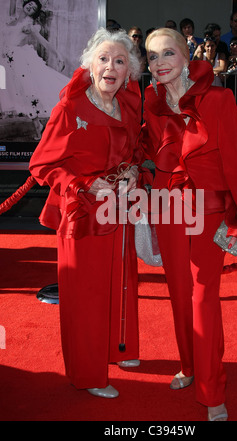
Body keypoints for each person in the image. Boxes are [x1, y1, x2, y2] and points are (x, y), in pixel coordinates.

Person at [142, 27, 237, 421]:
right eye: (151, 56)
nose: (159, 63)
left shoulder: (218, 99)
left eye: (167, 53)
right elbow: (145, 151)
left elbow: (233, 165)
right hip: (167, 208)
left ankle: (212, 389)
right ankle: (188, 364)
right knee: (179, 293)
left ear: (186, 55)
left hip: (209, 210)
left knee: (203, 298)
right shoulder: (150, 102)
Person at [29, 28, 146, 398]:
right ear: (89, 65)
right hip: (82, 213)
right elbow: (41, 165)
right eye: (103, 59)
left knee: (120, 283)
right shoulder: (70, 108)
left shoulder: (128, 105)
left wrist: (131, 170)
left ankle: (117, 348)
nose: (110, 67)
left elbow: (132, 151)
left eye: (120, 61)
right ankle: (88, 373)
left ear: (129, 72)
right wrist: (82, 184)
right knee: (87, 294)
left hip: (118, 209)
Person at [1, 0, 69, 139]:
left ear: (34, 13)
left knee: (26, 91)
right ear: (25, 4)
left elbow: (44, 42)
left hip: (18, 60)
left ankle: (38, 124)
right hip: (5, 60)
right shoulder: (11, 20)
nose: (30, 7)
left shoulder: (29, 25)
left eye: (34, 8)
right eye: (30, 4)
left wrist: (58, 55)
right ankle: (37, 124)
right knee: (11, 92)